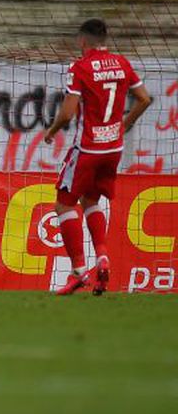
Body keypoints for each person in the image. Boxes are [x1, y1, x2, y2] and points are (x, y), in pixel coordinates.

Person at [44, 18, 152, 296]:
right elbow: (144, 98)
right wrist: (124, 125)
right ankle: (102, 257)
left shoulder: (79, 68)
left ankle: (79, 271)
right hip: (113, 149)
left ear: (82, 40)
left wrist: (51, 131)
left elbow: (68, 113)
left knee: (64, 204)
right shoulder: (122, 63)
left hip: (88, 149)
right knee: (91, 200)